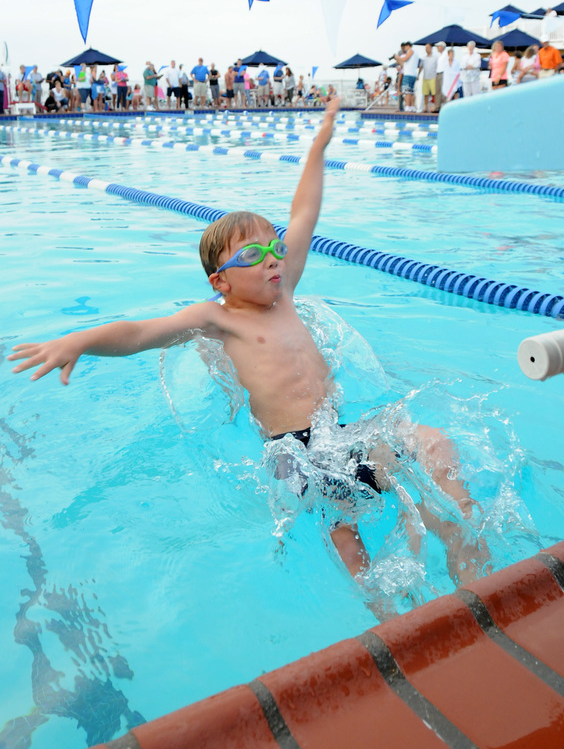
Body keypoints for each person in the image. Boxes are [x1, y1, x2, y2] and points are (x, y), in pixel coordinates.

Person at [8, 98, 487, 591]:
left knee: (431, 445)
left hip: (335, 432)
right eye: (254, 255)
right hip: (292, 452)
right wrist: (78, 341)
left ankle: (467, 544)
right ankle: (387, 619)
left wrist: (319, 146)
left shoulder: (287, 296)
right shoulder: (220, 319)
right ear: (222, 281)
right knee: (346, 532)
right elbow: (139, 333)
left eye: (275, 249)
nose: (274, 259)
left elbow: (303, 214)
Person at [395, 41, 418, 112]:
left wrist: (397, 57)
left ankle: (408, 106)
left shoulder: (410, 51)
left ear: (408, 46)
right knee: (411, 91)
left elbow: (404, 59)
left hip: (409, 74)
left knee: (407, 91)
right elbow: (402, 63)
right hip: (412, 74)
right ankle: (412, 107)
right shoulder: (415, 53)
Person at [418, 43, 437, 112]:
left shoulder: (435, 57)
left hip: (433, 77)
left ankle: (434, 106)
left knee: (434, 93)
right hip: (425, 77)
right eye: (425, 48)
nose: (426, 49)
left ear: (431, 48)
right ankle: (425, 107)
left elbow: (438, 67)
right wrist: (418, 75)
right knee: (425, 93)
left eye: (427, 47)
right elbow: (421, 67)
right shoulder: (423, 58)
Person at [434, 41, 447, 112]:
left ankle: (445, 106)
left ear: (442, 47)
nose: (437, 48)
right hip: (438, 73)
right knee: (437, 91)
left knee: (443, 91)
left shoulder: (446, 55)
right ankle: (437, 107)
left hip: (443, 74)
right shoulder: (440, 55)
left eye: (438, 46)